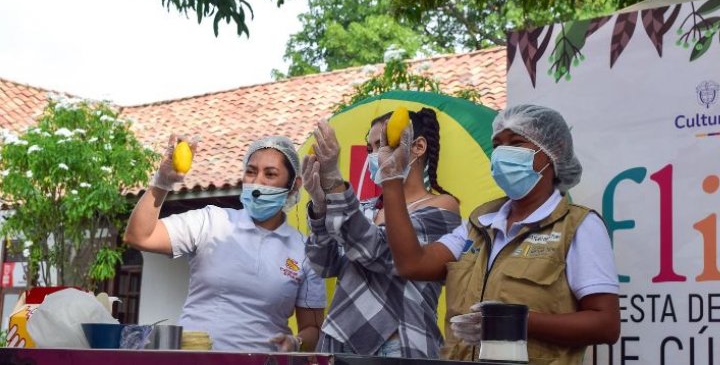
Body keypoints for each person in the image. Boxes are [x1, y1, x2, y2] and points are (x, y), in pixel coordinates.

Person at [378, 104, 620, 364]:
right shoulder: (479, 224)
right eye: (497, 145)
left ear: (554, 151)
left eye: (516, 143)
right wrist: (391, 180)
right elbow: (411, 265)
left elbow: (605, 324)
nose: (503, 153)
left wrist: (513, 322)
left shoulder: (577, 226)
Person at [124, 135, 326, 352]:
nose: (257, 182)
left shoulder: (304, 251)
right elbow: (139, 236)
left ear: (294, 185)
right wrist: (162, 182)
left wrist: (296, 342)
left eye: (270, 174)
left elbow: (312, 328)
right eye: (251, 171)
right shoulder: (211, 221)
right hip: (195, 359)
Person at [302, 108, 462, 358]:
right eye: (371, 149)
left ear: (418, 147)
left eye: (383, 144)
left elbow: (379, 252)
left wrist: (334, 182)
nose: (376, 155)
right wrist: (320, 207)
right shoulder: (365, 209)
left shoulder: (442, 206)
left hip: (399, 343)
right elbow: (324, 265)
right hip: (341, 343)